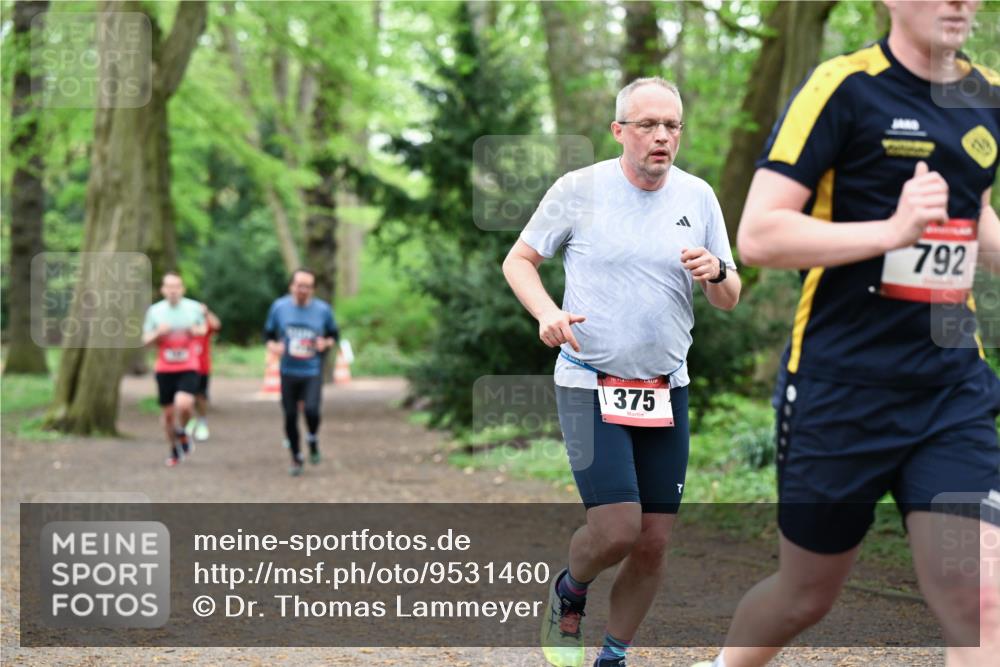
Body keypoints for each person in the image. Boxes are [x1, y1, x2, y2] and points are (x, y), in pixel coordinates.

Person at [694, 2, 1000, 666]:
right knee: (804, 595)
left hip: (950, 390)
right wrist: (890, 233)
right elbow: (760, 233)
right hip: (841, 390)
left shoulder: (987, 95)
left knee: (981, 604)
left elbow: (974, 213)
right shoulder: (842, 86)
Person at [503, 77, 741, 667]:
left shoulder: (699, 197)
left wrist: (716, 271)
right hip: (589, 381)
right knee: (615, 531)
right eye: (647, 125)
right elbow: (520, 260)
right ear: (619, 131)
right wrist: (547, 313)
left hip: (665, 388)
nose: (662, 136)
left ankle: (614, 654)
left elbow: (731, 296)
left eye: (672, 126)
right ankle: (569, 592)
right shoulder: (578, 190)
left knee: (654, 542)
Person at [264, 268, 340, 476]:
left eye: (307, 286)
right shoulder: (279, 308)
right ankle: (296, 456)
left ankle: (313, 438)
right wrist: (273, 346)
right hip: (288, 370)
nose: (302, 290)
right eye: (299, 285)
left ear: (313, 289)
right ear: (291, 286)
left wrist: (326, 343)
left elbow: (334, 334)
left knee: (312, 411)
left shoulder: (323, 310)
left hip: (312, 370)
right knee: (289, 416)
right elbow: (269, 335)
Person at [142, 272, 207, 467]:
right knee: (168, 415)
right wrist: (157, 333)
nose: (172, 291)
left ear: (182, 289)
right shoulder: (154, 311)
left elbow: (204, 329)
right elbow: (145, 341)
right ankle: (174, 449)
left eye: (176, 286)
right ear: (163, 290)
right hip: (165, 368)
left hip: (189, 365)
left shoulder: (194, 308)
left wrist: (196, 330)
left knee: (184, 404)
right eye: (169, 287)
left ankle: (183, 431)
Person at [187, 303, 221, 441]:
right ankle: (189, 421)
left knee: (201, 396)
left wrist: (206, 312)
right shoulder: (183, 324)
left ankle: (202, 421)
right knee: (186, 397)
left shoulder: (204, 324)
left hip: (202, 367)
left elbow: (217, 325)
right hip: (185, 367)